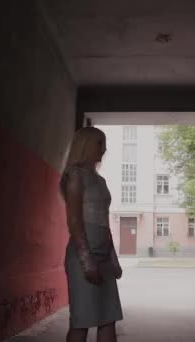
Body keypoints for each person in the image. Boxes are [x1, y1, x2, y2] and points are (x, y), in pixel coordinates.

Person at [60, 126, 123, 342]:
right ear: (85, 145)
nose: (104, 149)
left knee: (108, 318)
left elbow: (104, 223)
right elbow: (75, 221)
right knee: (82, 321)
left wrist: (112, 258)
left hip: (104, 256)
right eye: (100, 143)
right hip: (82, 257)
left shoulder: (101, 181)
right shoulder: (75, 176)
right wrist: (87, 262)